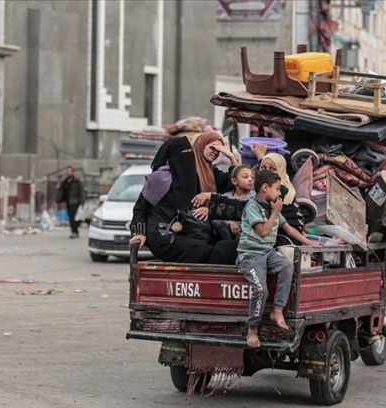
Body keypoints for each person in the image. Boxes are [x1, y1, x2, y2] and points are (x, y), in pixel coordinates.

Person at [128, 132, 238, 263]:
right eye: (182, 155)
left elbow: (233, 184)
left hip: (188, 233)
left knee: (223, 246)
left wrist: (232, 157)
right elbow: (140, 208)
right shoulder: (160, 179)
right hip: (162, 234)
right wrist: (139, 233)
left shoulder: (191, 178)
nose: (185, 160)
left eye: (188, 155)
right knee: (203, 250)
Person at [237, 171, 317, 348]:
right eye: (277, 189)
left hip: (267, 253)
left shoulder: (272, 207)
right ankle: (252, 330)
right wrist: (275, 212)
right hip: (250, 255)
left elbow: (289, 229)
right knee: (260, 290)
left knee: (287, 267)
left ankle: (277, 310)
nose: (279, 193)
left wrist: (310, 243)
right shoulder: (253, 207)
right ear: (265, 188)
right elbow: (263, 231)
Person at [192, 164, 255, 240]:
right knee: (217, 222)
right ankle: (227, 244)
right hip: (227, 231)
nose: (250, 180)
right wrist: (229, 222)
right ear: (234, 181)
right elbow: (217, 210)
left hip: (245, 231)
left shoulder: (254, 197)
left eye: (252, 177)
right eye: (245, 177)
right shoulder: (226, 196)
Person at [55, 166, 84, 239]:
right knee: (70, 217)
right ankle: (75, 232)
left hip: (75, 201)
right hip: (68, 201)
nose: (68, 173)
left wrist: (82, 202)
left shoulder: (77, 181)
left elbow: (81, 192)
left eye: (70, 171)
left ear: (73, 172)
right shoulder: (65, 181)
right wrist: (58, 198)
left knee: (72, 217)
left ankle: (74, 232)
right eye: (67, 171)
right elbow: (61, 190)